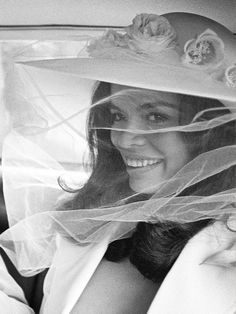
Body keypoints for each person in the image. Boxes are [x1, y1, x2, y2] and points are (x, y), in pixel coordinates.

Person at [0, 12, 236, 314]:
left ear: (215, 131)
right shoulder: (95, 218)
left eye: (156, 117)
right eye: (117, 115)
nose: (122, 139)